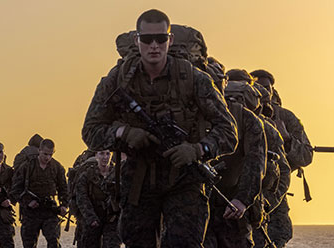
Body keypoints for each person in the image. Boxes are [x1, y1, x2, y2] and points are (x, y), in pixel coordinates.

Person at [82, 9, 238, 247]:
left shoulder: (193, 79)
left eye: (160, 39)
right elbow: (90, 131)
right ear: (137, 40)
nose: (154, 45)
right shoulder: (118, 79)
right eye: (147, 39)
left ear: (170, 40)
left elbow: (228, 132)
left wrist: (198, 150)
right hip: (138, 180)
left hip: (184, 180)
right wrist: (124, 133)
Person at [203, 65, 266, 248]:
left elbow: (255, 163)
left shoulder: (245, 119)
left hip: (230, 204)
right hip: (191, 204)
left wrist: (242, 199)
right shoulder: (188, 115)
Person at [251, 69, 313, 247]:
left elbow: (306, 156)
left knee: (275, 239)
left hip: (274, 194)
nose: (262, 92)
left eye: (266, 88)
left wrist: (286, 139)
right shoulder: (240, 113)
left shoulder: (286, 117)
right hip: (238, 196)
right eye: (257, 87)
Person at [10, 138, 68, 248]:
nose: (47, 158)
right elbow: (15, 190)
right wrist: (27, 202)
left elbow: (64, 189)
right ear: (39, 150)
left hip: (50, 211)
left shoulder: (57, 167)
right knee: (29, 244)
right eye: (45, 154)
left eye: (51, 154)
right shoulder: (27, 167)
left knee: (53, 241)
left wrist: (64, 205)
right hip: (31, 213)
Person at [76, 150, 121, 248]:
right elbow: (82, 198)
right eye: (101, 154)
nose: (105, 157)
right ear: (96, 155)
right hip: (93, 218)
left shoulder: (117, 174)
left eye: (108, 154)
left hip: (112, 219)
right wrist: (91, 218)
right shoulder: (87, 175)